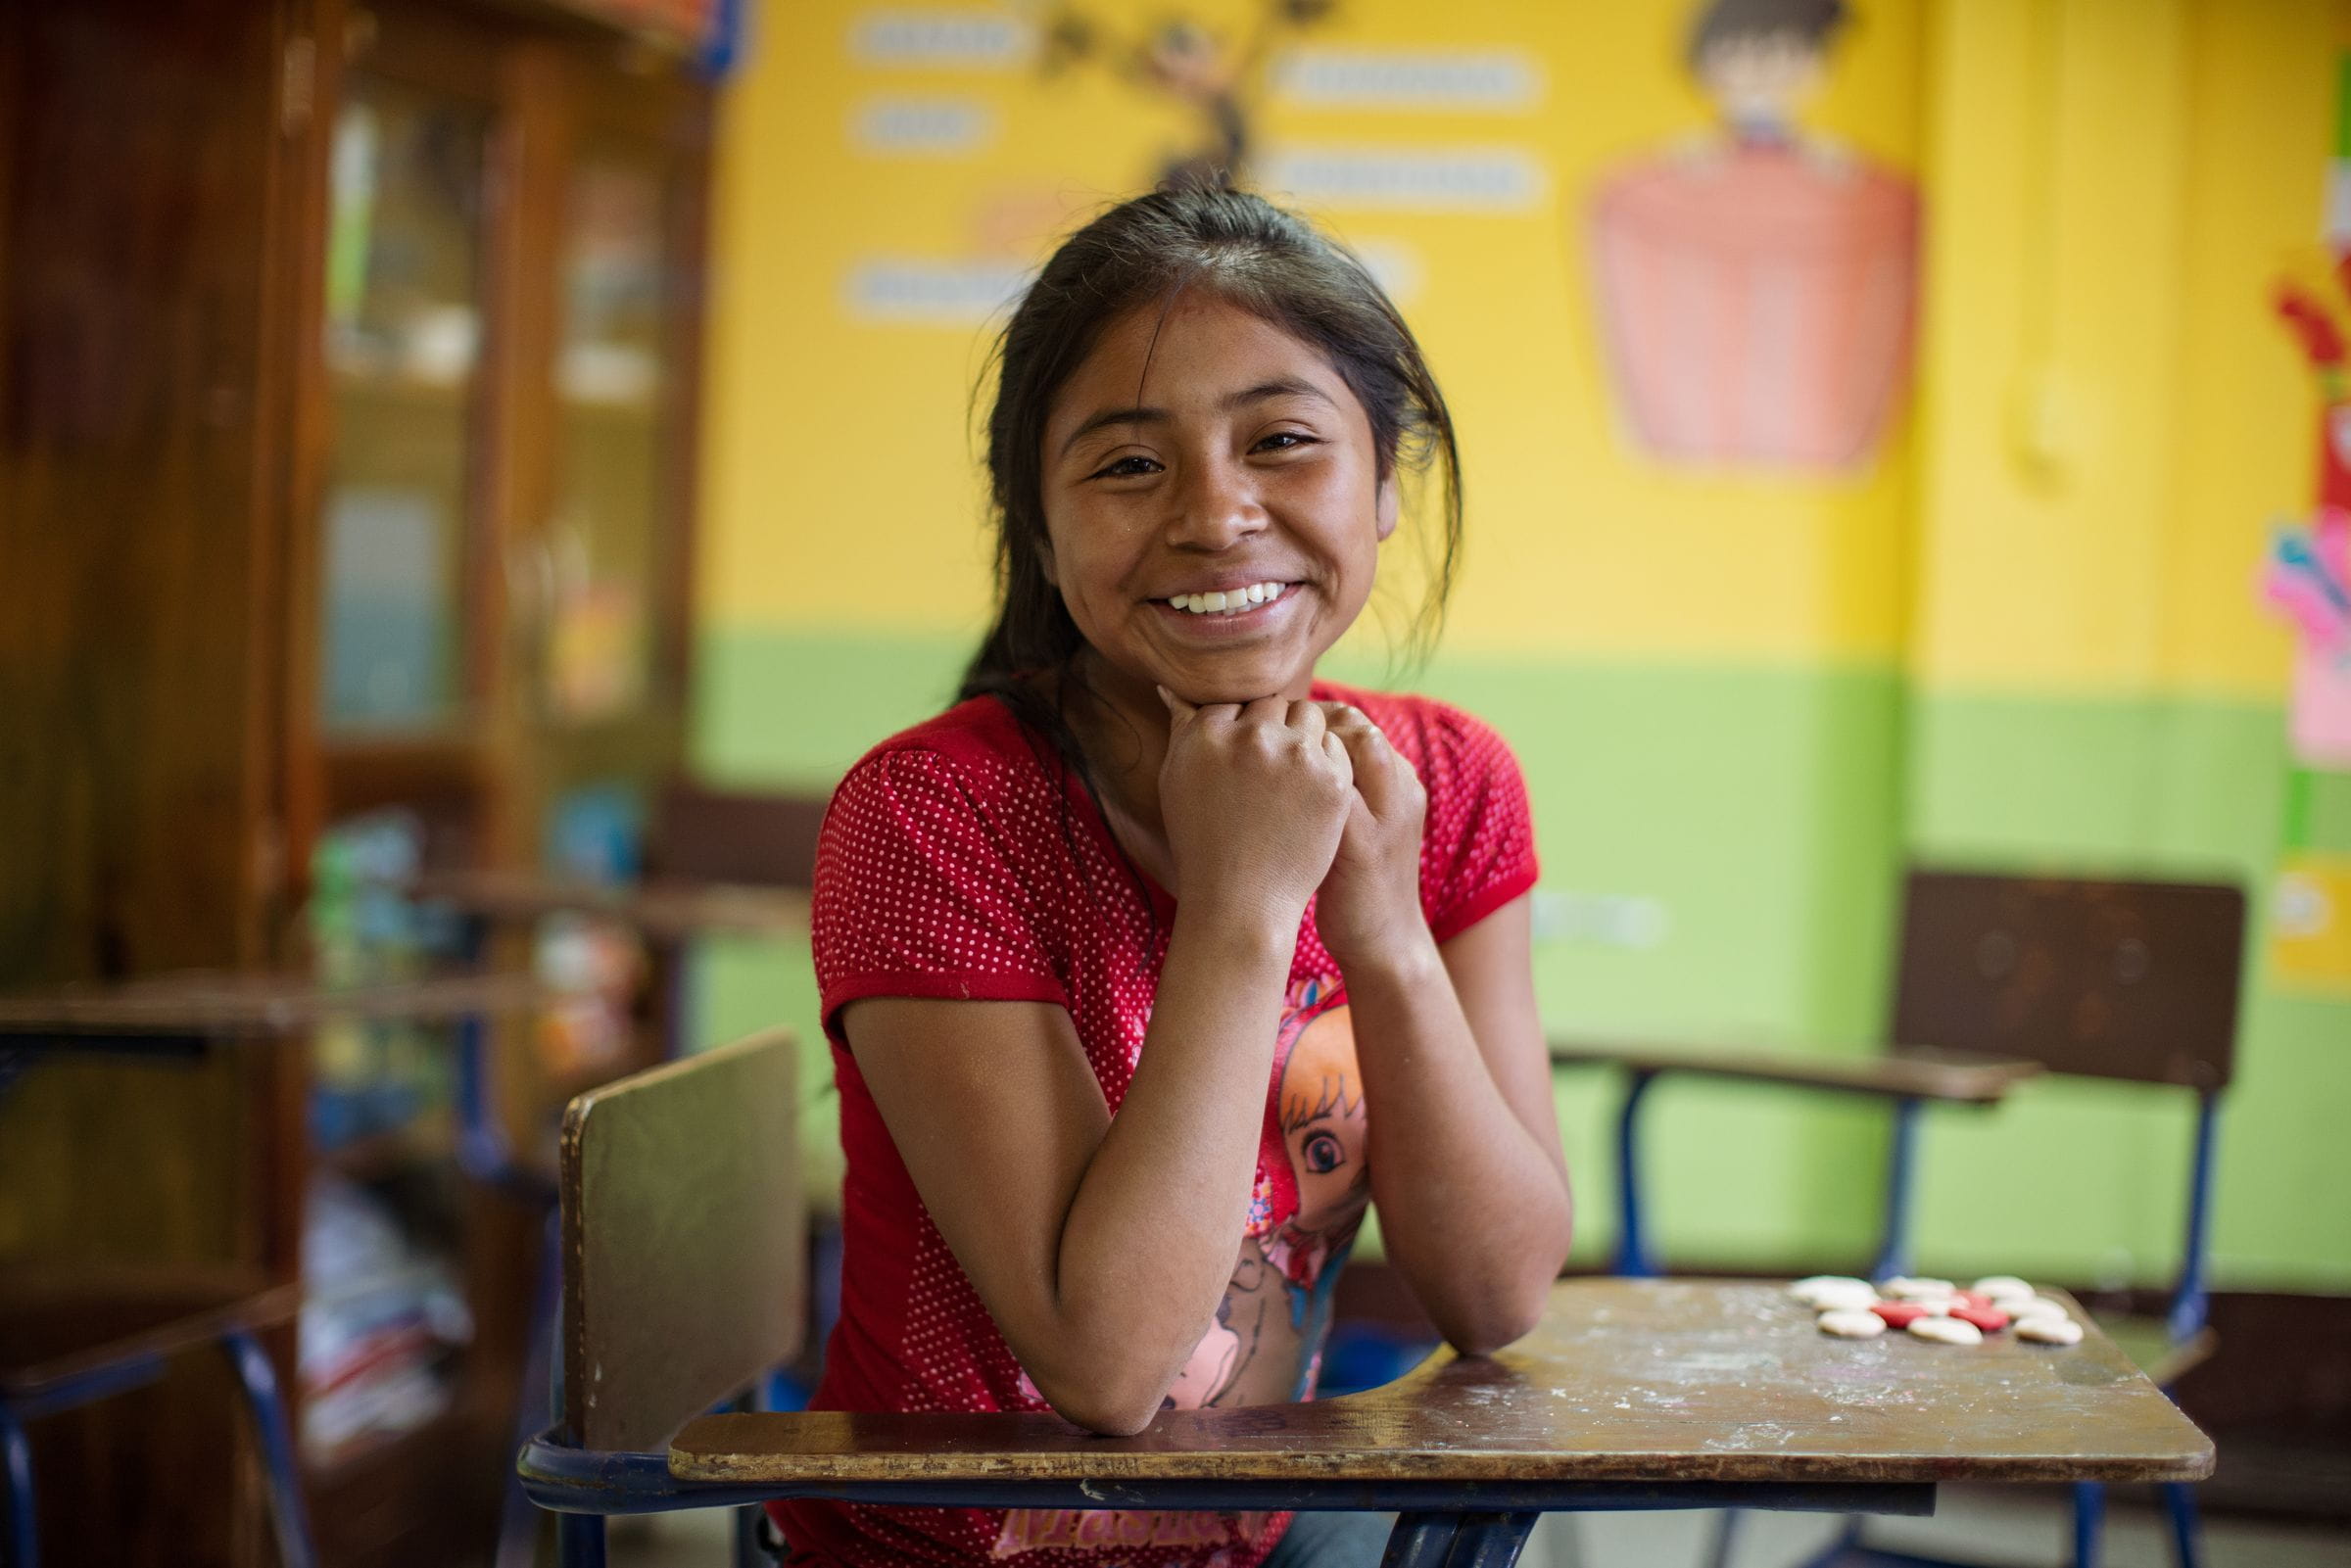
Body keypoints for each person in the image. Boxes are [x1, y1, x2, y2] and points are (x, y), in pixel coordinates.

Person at [776, 184, 1574, 1568]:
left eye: (1283, 442)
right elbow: (1108, 1368)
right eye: (1130, 465)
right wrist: (1249, 906)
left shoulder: (1449, 789)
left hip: (1255, 1538)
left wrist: (1379, 924)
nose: (1217, 514)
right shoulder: (930, 816)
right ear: (1037, 522)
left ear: (1385, 484)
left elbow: (1496, 1290)